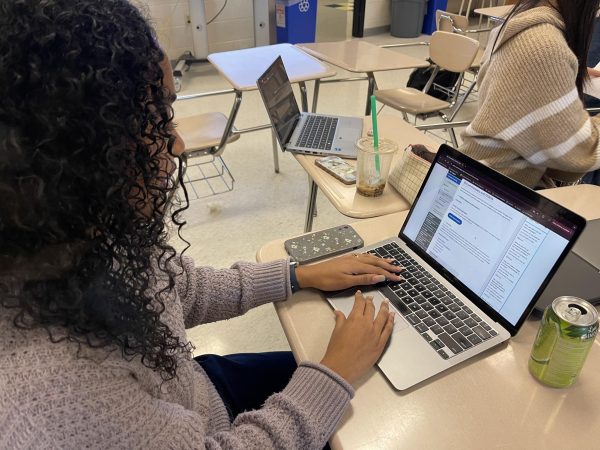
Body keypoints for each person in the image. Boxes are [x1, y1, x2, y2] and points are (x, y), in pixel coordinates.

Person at [0, 1, 403, 448]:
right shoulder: (58, 398)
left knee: (365, 370)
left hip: (196, 392)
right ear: (70, 154)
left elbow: (176, 290)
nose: (175, 144)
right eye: (153, 121)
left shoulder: (75, 232)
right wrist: (333, 375)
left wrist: (296, 274)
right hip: (208, 428)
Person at [460, 0, 600, 189]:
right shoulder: (544, 46)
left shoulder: (519, 20)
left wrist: (562, 76)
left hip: (481, 176)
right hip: (497, 190)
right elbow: (577, 151)